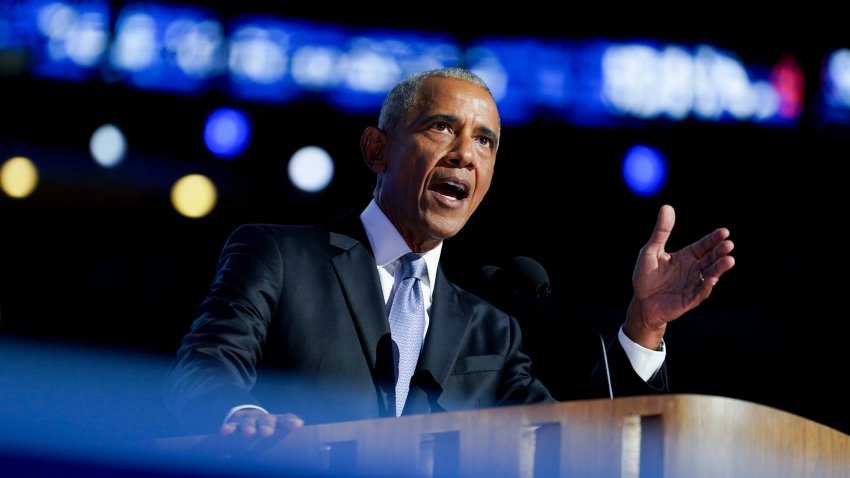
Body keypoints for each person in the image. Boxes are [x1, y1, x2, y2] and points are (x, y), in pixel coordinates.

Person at [162, 67, 735, 438]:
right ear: (376, 149)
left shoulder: (491, 332)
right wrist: (243, 420)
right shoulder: (278, 256)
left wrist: (643, 326)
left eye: (485, 141)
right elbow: (205, 369)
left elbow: (586, 445)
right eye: (442, 128)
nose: (466, 153)